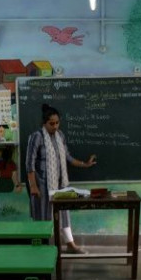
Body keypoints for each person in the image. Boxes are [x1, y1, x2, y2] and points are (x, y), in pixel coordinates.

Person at [25, 104, 97, 254]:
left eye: (57, 123)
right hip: (42, 183)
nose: (55, 126)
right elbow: (29, 163)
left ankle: (70, 244)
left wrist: (85, 164)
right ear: (44, 123)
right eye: (52, 123)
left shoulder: (60, 136)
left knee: (64, 212)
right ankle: (41, 246)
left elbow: (68, 157)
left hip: (60, 182)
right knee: (42, 215)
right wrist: (33, 186)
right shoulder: (36, 136)